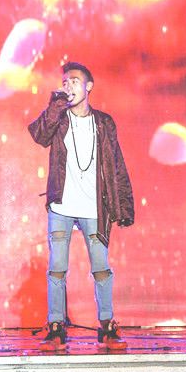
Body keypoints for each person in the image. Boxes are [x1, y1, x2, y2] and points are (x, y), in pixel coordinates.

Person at [28, 62, 135, 350]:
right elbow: (39, 135)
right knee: (57, 268)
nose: (68, 85)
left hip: (94, 208)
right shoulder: (59, 118)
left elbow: (116, 164)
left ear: (89, 86)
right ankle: (56, 326)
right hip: (62, 206)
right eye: (65, 81)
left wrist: (125, 206)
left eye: (74, 81)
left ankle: (107, 326)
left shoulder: (104, 123)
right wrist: (55, 104)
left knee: (101, 268)